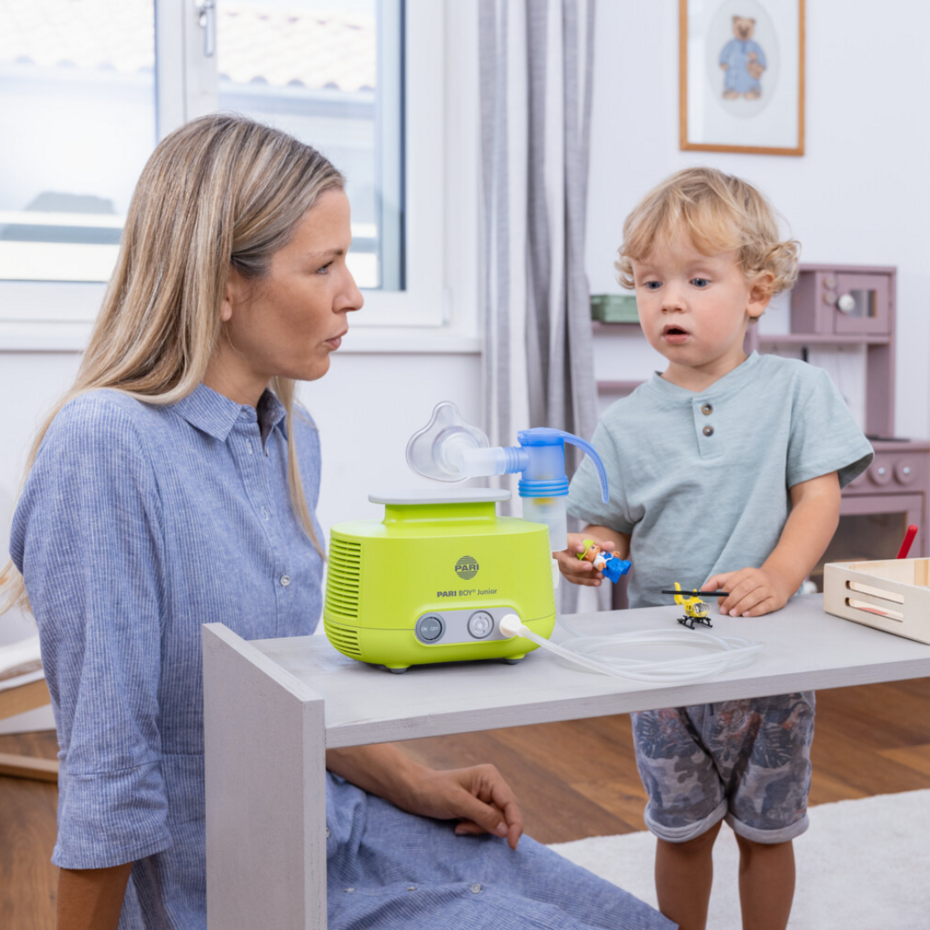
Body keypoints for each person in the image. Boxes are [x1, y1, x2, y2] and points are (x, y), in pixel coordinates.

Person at [1, 115, 673, 930]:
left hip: (342, 826)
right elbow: (109, 774)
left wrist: (417, 782)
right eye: (323, 266)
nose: (352, 293)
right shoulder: (106, 446)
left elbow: (287, 694)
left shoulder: (290, 437)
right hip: (239, 886)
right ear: (221, 283)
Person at [556, 167, 872, 930]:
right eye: (650, 281)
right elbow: (607, 531)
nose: (670, 299)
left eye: (698, 279)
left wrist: (778, 573)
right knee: (682, 827)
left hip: (771, 648)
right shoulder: (624, 425)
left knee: (769, 829)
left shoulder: (798, 392)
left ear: (756, 293)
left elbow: (819, 497)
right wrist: (592, 559)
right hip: (663, 653)